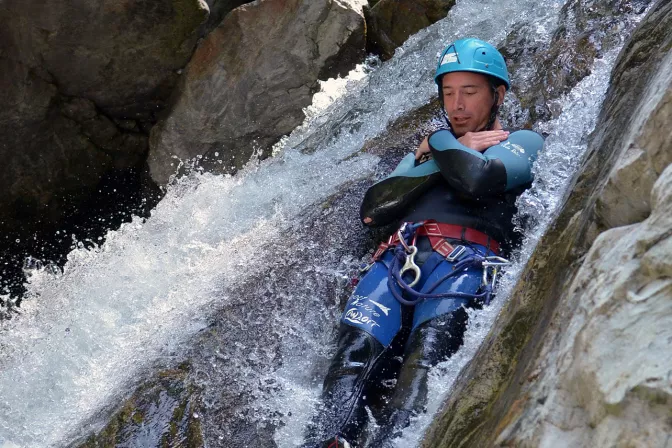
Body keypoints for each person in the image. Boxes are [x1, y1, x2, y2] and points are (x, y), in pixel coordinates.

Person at [304, 37, 544, 448]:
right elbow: (373, 210)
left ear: (497, 94)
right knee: (349, 362)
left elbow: (478, 179)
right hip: (396, 261)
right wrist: (442, 154)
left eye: (469, 92)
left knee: (421, 373)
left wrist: (437, 143)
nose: (457, 105)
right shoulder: (424, 156)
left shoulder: (522, 141)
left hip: (462, 267)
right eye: (448, 93)